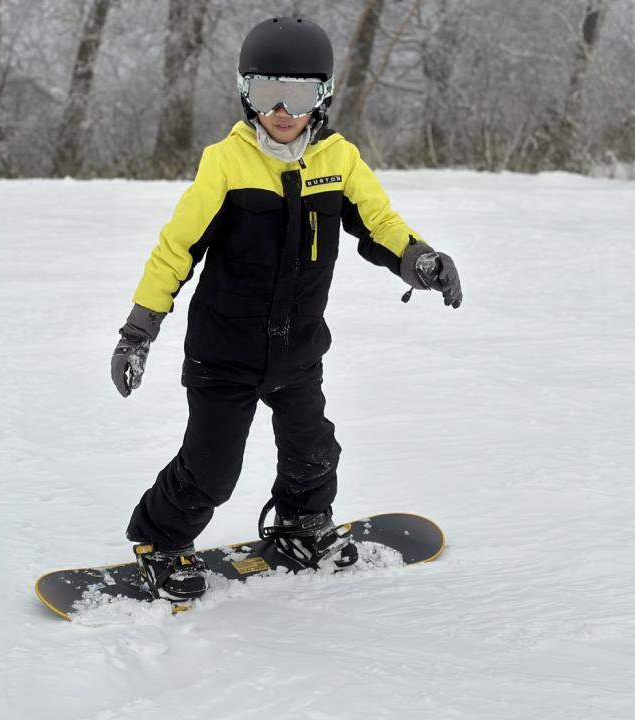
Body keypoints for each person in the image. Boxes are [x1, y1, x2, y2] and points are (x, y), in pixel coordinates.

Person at [110, 17, 462, 602]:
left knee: (314, 450)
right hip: (225, 352)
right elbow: (176, 249)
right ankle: (161, 540)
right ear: (245, 92)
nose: (280, 108)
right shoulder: (227, 163)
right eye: (266, 91)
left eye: (297, 94)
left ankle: (302, 523)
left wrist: (419, 259)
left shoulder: (339, 161)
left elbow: (379, 222)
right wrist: (137, 333)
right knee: (212, 468)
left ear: (322, 97)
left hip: (298, 349)